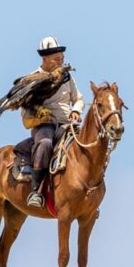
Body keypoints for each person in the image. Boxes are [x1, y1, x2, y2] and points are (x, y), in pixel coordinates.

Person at [24, 36, 85, 208]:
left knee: (89, 144)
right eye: (57, 59)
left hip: (68, 124)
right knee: (44, 143)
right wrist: (41, 115)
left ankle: (90, 195)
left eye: (62, 58)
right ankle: (35, 192)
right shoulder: (33, 79)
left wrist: (75, 111)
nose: (61, 61)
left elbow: (79, 99)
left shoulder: (67, 77)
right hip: (45, 126)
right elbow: (25, 111)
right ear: (45, 59)